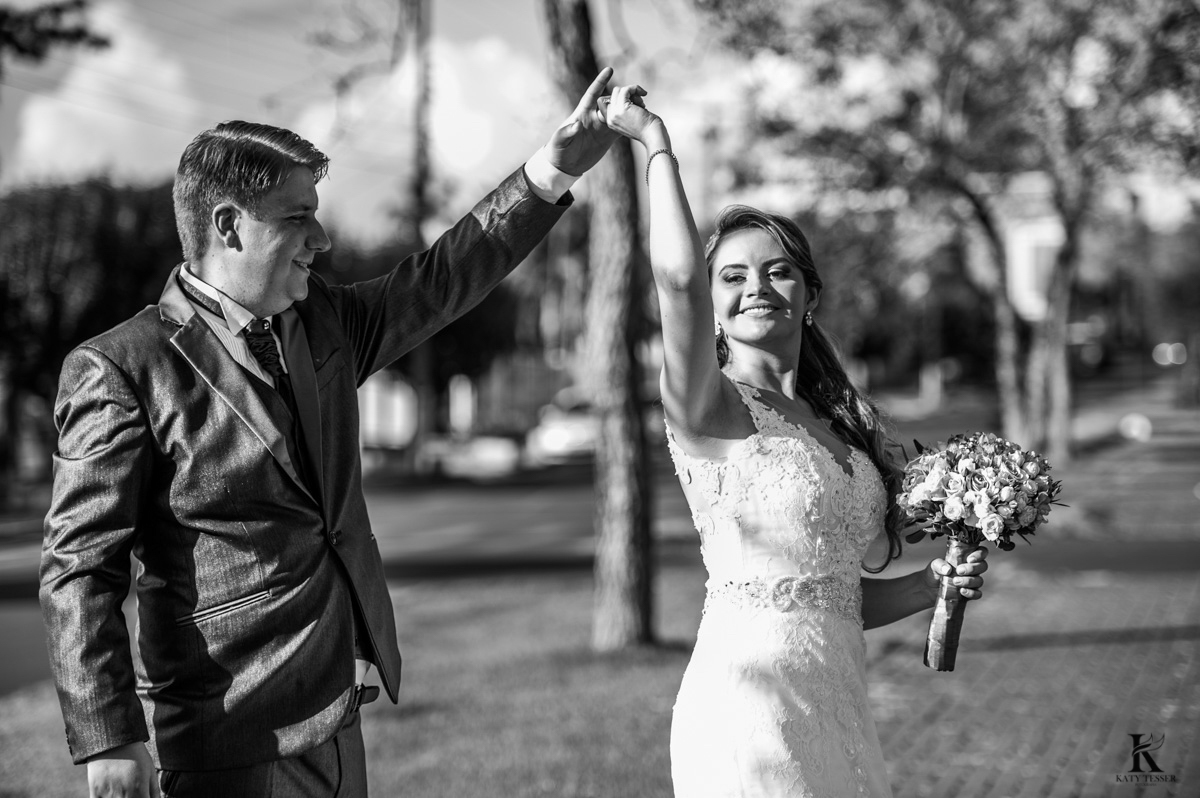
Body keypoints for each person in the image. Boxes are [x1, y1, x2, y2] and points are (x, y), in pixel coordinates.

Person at [39, 68, 620, 798]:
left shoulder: (327, 324)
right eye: (296, 217)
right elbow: (81, 572)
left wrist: (553, 169)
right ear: (228, 225)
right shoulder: (120, 368)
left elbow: (444, 277)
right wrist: (109, 735)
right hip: (227, 737)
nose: (321, 238)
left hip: (341, 717)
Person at [601, 86, 989, 797]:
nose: (757, 287)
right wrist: (655, 143)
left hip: (839, 709)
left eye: (778, 271)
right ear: (713, 306)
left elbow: (834, 597)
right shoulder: (707, 405)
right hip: (747, 710)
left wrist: (932, 585)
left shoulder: (837, 421)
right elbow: (677, 279)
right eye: (734, 276)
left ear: (808, 295)